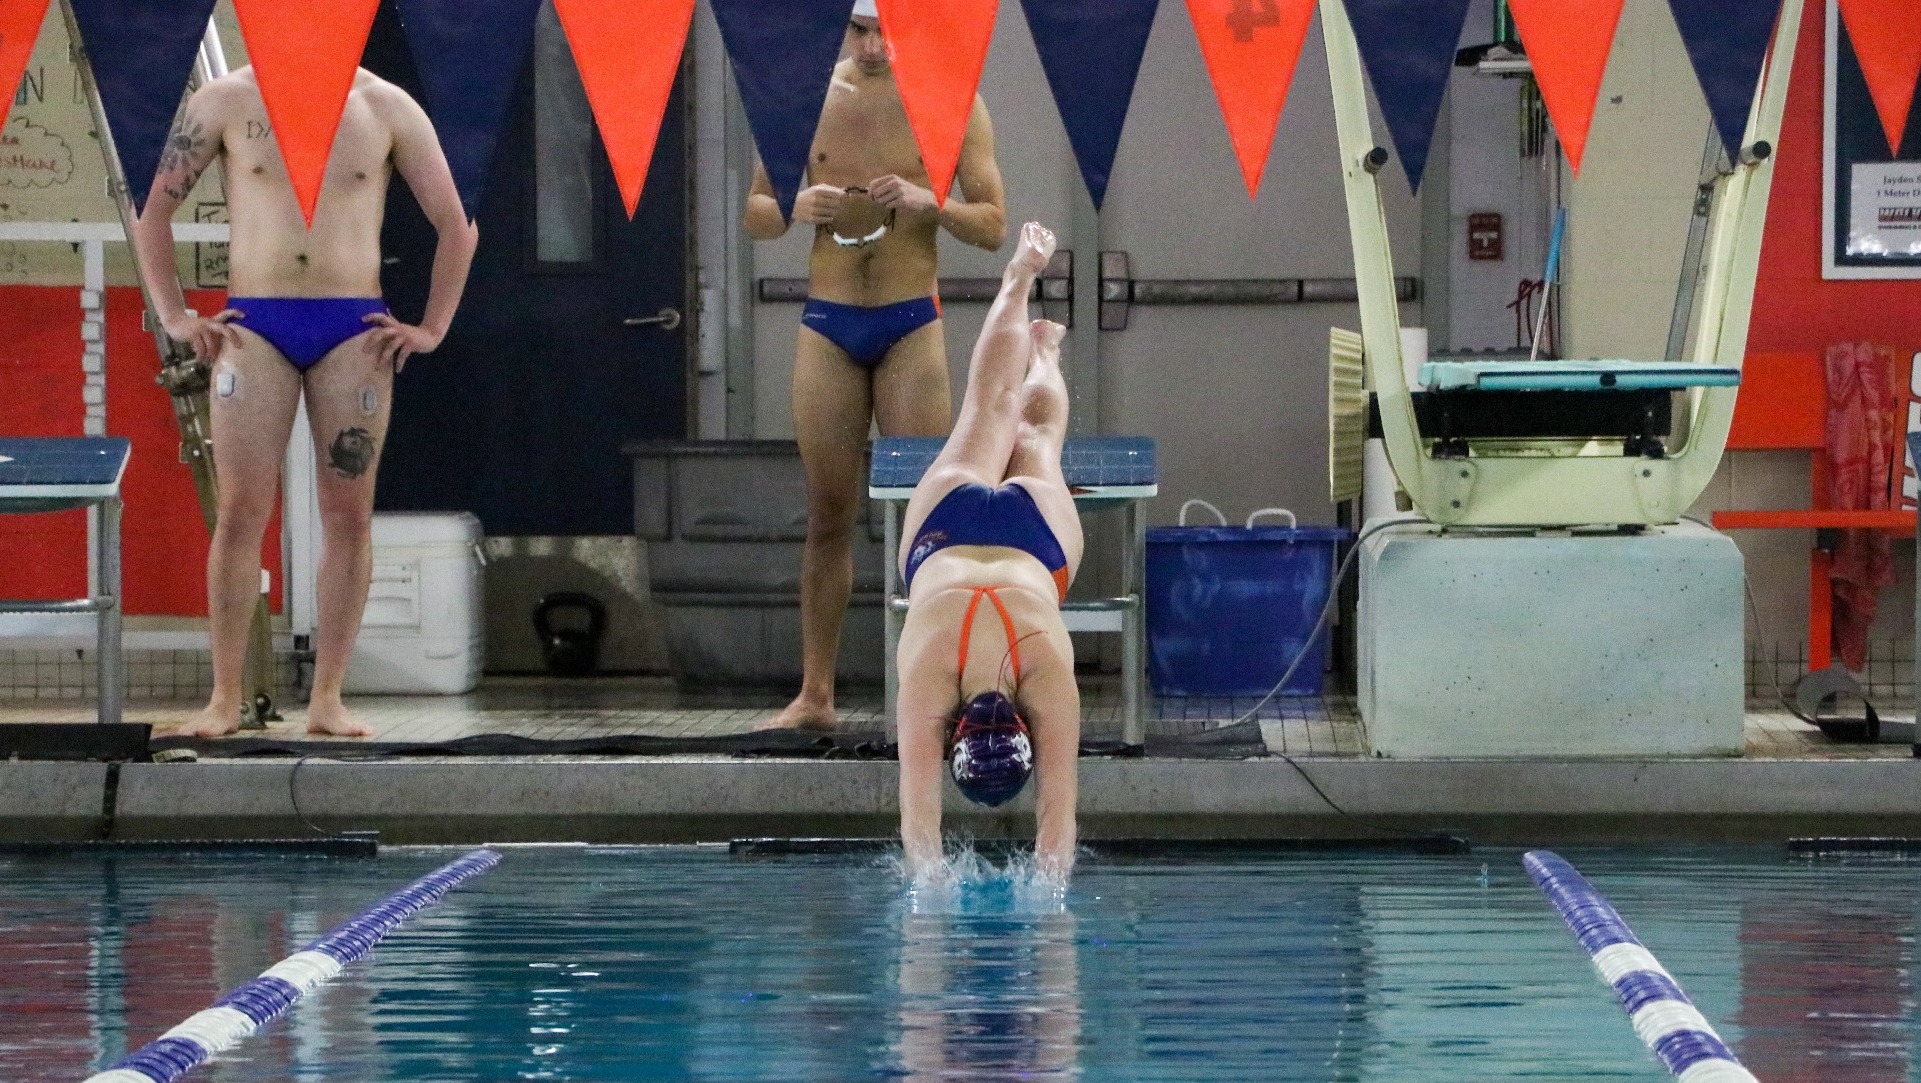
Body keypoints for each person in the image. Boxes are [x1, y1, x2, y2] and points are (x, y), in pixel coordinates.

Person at [128, 66, 477, 737]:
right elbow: (153, 208)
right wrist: (174, 316)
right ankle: (224, 697)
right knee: (239, 513)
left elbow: (457, 224)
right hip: (254, 326)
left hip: (355, 330)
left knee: (348, 515)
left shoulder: (385, 106)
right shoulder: (227, 99)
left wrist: (431, 327)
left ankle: (327, 698)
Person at [744, 0, 1009, 731]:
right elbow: (756, 212)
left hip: (909, 326)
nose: (870, 46)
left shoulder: (950, 101)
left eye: (883, 29)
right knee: (829, 513)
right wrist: (795, 206)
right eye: (858, 30)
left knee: (930, 519)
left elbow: (992, 225)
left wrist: (933, 202)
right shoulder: (803, 97)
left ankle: (943, 694)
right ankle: (816, 696)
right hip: (828, 324)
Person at [894, 222, 1081, 881]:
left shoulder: (1045, 675)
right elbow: (918, 831)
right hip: (941, 534)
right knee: (993, 406)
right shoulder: (926, 681)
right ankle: (1021, 290)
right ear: (954, 738)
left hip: (1034, 545)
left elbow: (1056, 823)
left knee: (1030, 431)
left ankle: (1041, 338)